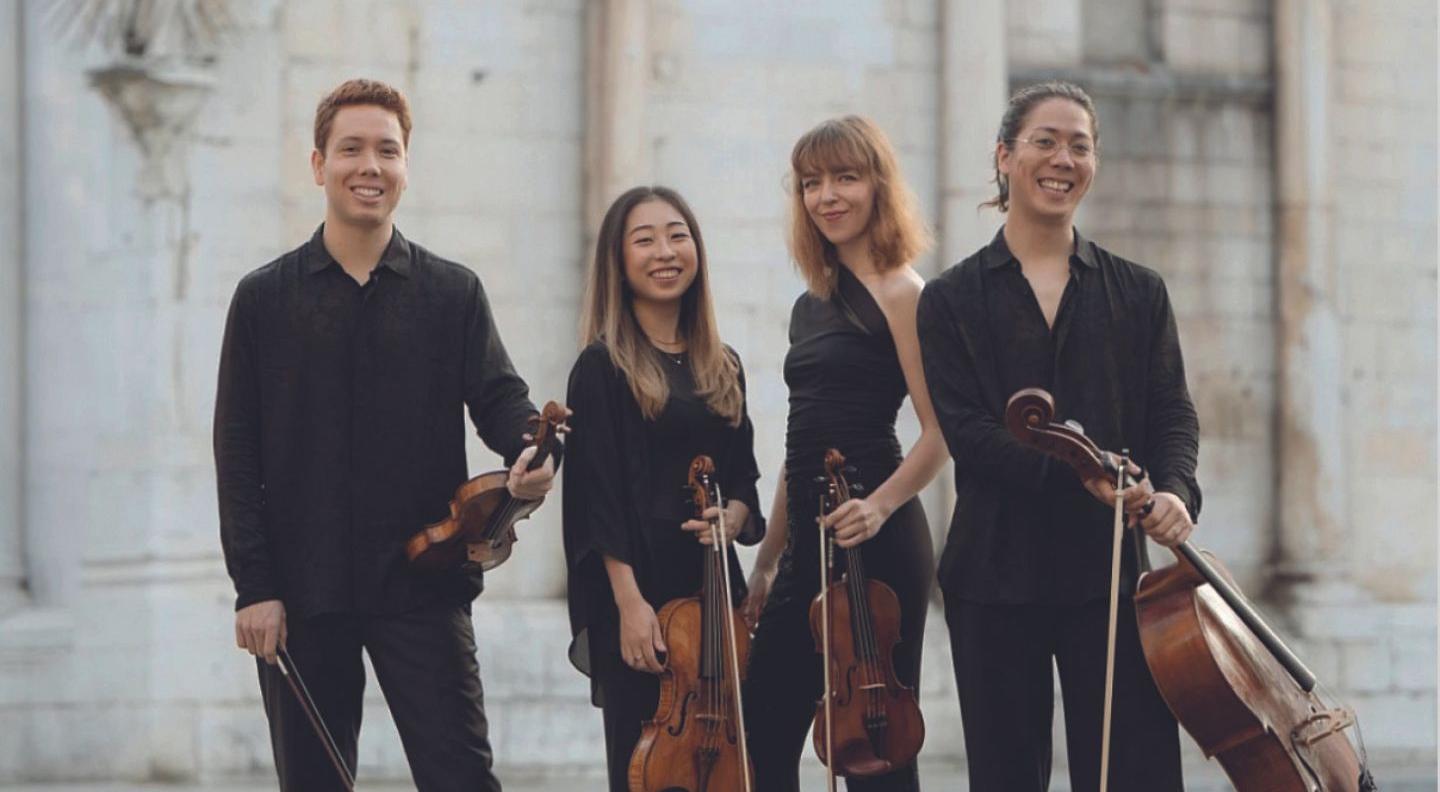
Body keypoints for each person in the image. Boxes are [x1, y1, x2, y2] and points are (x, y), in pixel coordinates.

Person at [214, 78, 556, 792]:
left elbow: (503, 400)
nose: (370, 165)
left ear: (405, 167)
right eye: (352, 149)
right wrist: (255, 588)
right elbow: (237, 454)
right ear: (318, 165)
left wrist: (533, 447)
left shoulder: (452, 292)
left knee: (462, 778)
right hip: (302, 593)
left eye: (388, 151)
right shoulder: (263, 299)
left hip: (423, 578)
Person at [916, 80, 1198, 792]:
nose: (1063, 158)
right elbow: (971, 433)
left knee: (1134, 773)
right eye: (1045, 141)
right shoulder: (950, 299)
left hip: (1109, 578)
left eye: (1080, 144)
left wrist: (1174, 489)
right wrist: (1081, 473)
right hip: (992, 576)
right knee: (1007, 778)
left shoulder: (1138, 292)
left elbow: (1171, 413)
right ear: (1005, 156)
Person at [741, 116, 947, 792]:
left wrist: (881, 506)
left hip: (879, 545)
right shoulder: (809, 306)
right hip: (808, 547)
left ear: (877, 186)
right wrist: (769, 559)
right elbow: (803, 442)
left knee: (876, 752)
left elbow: (940, 430)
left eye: (845, 177)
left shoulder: (905, 292)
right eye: (811, 183)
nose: (827, 195)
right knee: (759, 739)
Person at [561, 185, 767, 792]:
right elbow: (595, 497)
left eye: (678, 235)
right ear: (619, 263)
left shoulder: (721, 362)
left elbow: (745, 477)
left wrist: (733, 514)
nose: (665, 251)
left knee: (726, 761)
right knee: (647, 761)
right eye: (644, 239)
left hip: (711, 593)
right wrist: (627, 603)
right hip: (641, 592)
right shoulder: (602, 367)